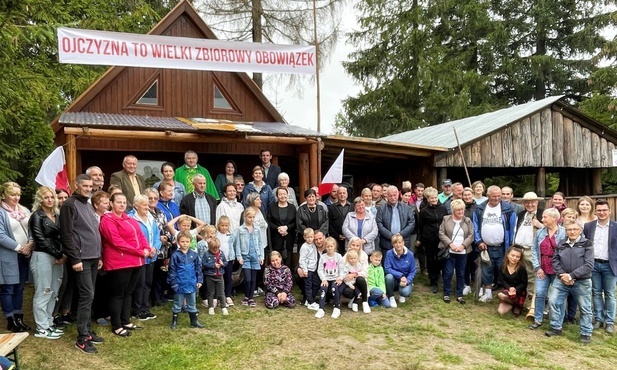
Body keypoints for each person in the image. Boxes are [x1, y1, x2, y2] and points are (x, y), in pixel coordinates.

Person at [59, 174, 104, 354]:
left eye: (90, 185)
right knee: (86, 295)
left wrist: (99, 256)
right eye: (84, 185)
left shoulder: (87, 203)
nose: (88, 188)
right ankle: (82, 338)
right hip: (81, 258)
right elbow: (66, 234)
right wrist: (74, 259)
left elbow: (93, 231)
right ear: (76, 185)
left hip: (93, 257)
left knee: (90, 295)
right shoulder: (70, 204)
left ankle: (87, 330)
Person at [99, 193, 153, 337]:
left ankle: (126, 320)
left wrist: (146, 247)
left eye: (124, 202)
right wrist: (139, 251)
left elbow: (141, 236)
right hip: (119, 263)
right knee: (118, 294)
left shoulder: (130, 219)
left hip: (136, 261)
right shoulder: (107, 220)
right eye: (118, 202)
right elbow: (116, 241)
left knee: (129, 292)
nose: (122, 205)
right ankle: (116, 325)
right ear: (111, 203)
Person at [545, 221, 594, 344]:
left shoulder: (587, 243)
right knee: (553, 302)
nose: (571, 232)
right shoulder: (561, 243)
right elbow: (555, 261)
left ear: (580, 230)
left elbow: (589, 265)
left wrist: (571, 276)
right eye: (569, 229)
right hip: (561, 280)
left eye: (574, 229)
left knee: (585, 308)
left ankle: (586, 332)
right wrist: (563, 276)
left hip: (581, 281)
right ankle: (556, 327)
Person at [28, 186, 65, 339]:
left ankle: (49, 323)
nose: (49, 200)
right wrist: (58, 254)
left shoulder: (57, 215)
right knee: (44, 291)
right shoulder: (37, 216)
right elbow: (40, 240)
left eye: (51, 197)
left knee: (54, 291)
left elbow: (62, 236)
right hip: (42, 256)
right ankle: (41, 327)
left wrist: (62, 254)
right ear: (40, 200)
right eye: (46, 197)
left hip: (58, 257)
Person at [473, 185, 517, 302]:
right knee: (486, 270)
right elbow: (475, 226)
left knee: (504, 270)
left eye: (499, 196)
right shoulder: (480, 209)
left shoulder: (508, 209)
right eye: (494, 196)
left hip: (503, 246)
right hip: (486, 247)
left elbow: (512, 228)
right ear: (487, 196)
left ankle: (508, 295)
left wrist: (511, 245)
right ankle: (488, 293)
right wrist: (479, 241)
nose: (497, 198)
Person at [0, 182, 33, 333]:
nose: (16, 197)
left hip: (25, 254)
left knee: (20, 287)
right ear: (3, 195)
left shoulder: (24, 210)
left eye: (18, 194)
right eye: (12, 194)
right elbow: (0, 235)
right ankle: (10, 319)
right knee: (8, 288)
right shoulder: (1, 212)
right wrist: (20, 248)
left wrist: (31, 244)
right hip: (9, 255)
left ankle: (19, 317)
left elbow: (33, 228)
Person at [583, 199, 617, 334]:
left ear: (609, 211)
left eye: (604, 210)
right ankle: (598, 318)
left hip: (610, 265)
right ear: (595, 212)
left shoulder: (616, 227)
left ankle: (609, 322)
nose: (602, 213)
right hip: (593, 264)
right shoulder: (588, 226)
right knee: (596, 292)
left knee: (610, 294)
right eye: (599, 210)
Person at [529, 208, 566, 329]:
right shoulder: (540, 232)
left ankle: (557, 321)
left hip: (558, 269)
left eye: (545, 217)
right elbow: (534, 249)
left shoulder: (563, 232)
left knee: (557, 296)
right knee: (540, 294)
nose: (542, 219)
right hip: (542, 268)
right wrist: (537, 267)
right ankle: (537, 319)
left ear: (554, 218)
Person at [128, 194, 161, 321]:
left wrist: (155, 248)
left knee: (148, 282)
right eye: (144, 205)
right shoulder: (131, 218)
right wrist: (145, 250)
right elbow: (132, 238)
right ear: (136, 206)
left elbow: (157, 235)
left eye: (148, 204)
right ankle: (137, 310)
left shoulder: (151, 217)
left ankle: (145, 308)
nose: (147, 207)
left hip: (151, 255)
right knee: (139, 284)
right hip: (139, 257)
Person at [438, 199, 474, 304]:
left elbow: (471, 235)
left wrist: (463, 246)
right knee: (448, 273)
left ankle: (459, 295)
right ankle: (446, 293)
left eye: (462, 209)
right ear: (453, 210)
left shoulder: (467, 220)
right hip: (450, 251)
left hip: (463, 252)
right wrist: (451, 244)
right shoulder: (446, 219)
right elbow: (441, 233)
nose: (460, 212)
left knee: (461, 273)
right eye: (458, 210)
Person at [514, 192, 544, 307]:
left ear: (537, 202)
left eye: (532, 202)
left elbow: (552, 230)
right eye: (527, 202)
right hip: (520, 249)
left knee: (536, 275)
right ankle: (524, 299)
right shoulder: (521, 214)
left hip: (534, 250)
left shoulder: (542, 214)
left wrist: (540, 225)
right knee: (524, 275)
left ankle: (535, 301)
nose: (530, 204)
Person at [168, 231, 204, 329]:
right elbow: (172, 270)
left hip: (191, 284)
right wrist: (174, 283)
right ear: (178, 242)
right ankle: (174, 322)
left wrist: (199, 280)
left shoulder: (194, 255)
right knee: (177, 304)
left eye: (187, 241)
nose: (185, 243)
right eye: (182, 241)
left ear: (190, 242)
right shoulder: (175, 255)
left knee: (192, 304)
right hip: (179, 284)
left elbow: (198, 268)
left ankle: (194, 321)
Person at [145, 187, 173, 306]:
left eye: (155, 198)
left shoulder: (160, 212)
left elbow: (166, 227)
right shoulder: (145, 213)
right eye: (150, 198)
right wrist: (159, 239)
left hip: (164, 249)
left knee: (162, 274)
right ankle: (154, 298)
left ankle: (161, 295)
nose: (153, 200)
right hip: (153, 249)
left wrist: (166, 237)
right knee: (153, 276)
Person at [416, 186, 447, 293]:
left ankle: (438, 275)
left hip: (441, 239)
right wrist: (419, 239)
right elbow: (420, 226)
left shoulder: (443, 208)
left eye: (435, 198)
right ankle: (433, 281)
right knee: (431, 260)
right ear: (428, 199)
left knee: (440, 259)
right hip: (429, 239)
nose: (434, 200)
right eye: (431, 198)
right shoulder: (424, 211)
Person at [231, 207, 264, 308]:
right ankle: (246, 296)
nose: (251, 219)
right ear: (245, 217)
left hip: (255, 255)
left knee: (253, 279)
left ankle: (251, 297)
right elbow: (237, 244)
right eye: (249, 217)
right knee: (247, 279)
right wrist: (239, 256)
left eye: (253, 217)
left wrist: (261, 256)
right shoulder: (240, 229)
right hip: (245, 256)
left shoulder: (257, 229)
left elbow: (260, 242)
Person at [377, 186, 415, 253]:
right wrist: (391, 236)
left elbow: (411, 223)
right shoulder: (381, 208)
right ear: (387, 196)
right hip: (387, 243)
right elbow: (379, 224)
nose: (393, 198)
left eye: (394, 195)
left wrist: (401, 234)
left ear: (398, 195)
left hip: (403, 242)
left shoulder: (406, 208)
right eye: (390, 196)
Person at [315, 237, 344, 319]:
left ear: (335, 246)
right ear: (325, 247)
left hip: (335, 278)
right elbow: (320, 270)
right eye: (328, 246)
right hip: (326, 279)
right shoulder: (323, 257)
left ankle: (336, 308)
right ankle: (321, 309)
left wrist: (340, 278)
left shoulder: (338, 256)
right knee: (323, 289)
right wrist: (323, 279)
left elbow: (342, 269)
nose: (329, 248)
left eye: (331, 246)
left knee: (334, 288)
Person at [267, 187, 297, 267]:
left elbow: (295, 222)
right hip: (276, 236)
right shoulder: (272, 207)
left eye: (284, 194)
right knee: (277, 256)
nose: (282, 196)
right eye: (280, 194)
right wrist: (278, 228)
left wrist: (287, 227)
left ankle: (288, 274)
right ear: (277, 196)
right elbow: (269, 221)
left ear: (287, 195)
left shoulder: (292, 207)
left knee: (289, 255)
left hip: (289, 235)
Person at [384, 234, 416, 307]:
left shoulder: (410, 254)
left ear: (403, 243)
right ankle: (391, 297)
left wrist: (407, 280)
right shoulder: (389, 253)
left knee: (405, 292)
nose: (398, 245)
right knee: (388, 277)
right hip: (394, 279)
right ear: (393, 244)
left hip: (405, 280)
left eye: (399, 242)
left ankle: (403, 293)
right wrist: (400, 275)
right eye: (395, 243)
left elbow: (413, 271)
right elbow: (387, 268)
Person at [496, 245, 527, 317]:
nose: (514, 258)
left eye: (517, 257)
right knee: (501, 311)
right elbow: (502, 281)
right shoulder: (502, 266)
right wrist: (509, 288)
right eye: (512, 255)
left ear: (520, 258)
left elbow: (524, 283)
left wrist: (515, 290)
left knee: (515, 313)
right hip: (507, 290)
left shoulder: (521, 268)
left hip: (518, 291)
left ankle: (517, 306)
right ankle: (515, 304)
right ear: (507, 255)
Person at [201, 237, 229, 315]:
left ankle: (223, 307)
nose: (216, 250)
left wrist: (222, 264)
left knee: (221, 292)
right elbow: (203, 264)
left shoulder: (221, 253)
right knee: (210, 292)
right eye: (214, 249)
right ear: (210, 247)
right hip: (210, 276)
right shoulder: (206, 254)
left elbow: (226, 263)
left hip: (220, 276)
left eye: (217, 248)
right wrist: (213, 265)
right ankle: (211, 307)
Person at [340, 248, 368, 313]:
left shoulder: (359, 265)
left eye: (354, 258)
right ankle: (354, 303)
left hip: (357, 281)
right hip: (350, 283)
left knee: (360, 287)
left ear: (357, 258)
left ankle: (362, 302)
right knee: (357, 293)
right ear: (348, 259)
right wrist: (350, 284)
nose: (353, 260)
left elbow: (364, 273)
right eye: (351, 259)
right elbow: (345, 277)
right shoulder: (347, 266)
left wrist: (355, 274)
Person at [297, 228, 320, 310]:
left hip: (313, 269)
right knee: (308, 286)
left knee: (316, 284)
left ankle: (309, 299)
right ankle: (310, 302)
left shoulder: (313, 244)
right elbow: (302, 260)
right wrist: (305, 270)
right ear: (304, 237)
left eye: (311, 237)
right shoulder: (304, 247)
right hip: (308, 270)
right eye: (308, 237)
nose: (310, 239)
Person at [215, 216, 235, 307]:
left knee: (228, 278)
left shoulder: (231, 235)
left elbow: (233, 246)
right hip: (219, 260)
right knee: (219, 278)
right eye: (222, 225)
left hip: (229, 259)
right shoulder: (217, 235)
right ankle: (219, 296)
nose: (224, 227)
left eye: (226, 225)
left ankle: (228, 295)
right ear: (219, 225)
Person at [461, 187, 478, 294]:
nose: (467, 197)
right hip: (463, 239)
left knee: (475, 263)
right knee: (465, 263)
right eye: (465, 195)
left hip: (475, 239)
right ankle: (466, 284)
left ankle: (476, 283)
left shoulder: (478, 207)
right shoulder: (460, 207)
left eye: (469, 195)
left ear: (472, 195)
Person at [328, 185, 352, 254]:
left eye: (344, 193)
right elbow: (329, 224)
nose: (342, 195)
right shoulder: (332, 208)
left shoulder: (352, 207)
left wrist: (349, 235)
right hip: (336, 239)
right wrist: (337, 235)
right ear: (337, 195)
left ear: (347, 194)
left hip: (350, 238)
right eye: (340, 193)